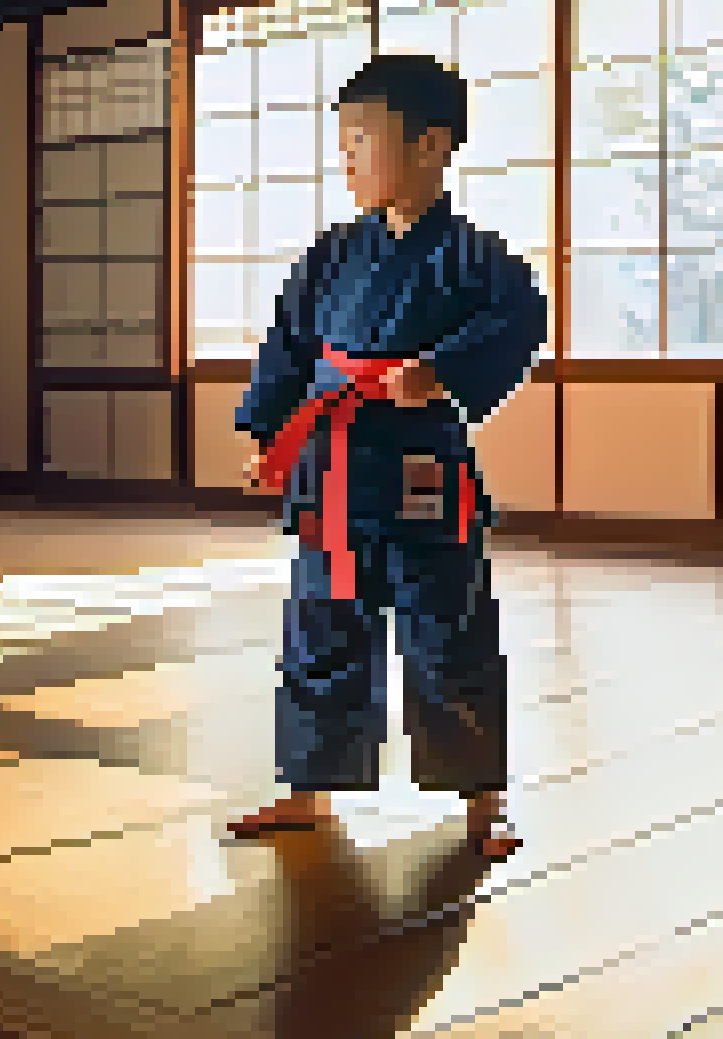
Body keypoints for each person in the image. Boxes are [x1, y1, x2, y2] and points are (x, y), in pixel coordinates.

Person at [225, 54, 547, 857]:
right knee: (320, 624)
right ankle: (309, 787)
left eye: (364, 140)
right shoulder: (331, 255)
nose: (348, 158)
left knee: (448, 631)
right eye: (343, 142)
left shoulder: (474, 257)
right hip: (332, 469)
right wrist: (265, 428)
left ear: (432, 145)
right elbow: (290, 343)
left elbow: (518, 321)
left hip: (420, 476)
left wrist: (438, 374)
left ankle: (483, 798)